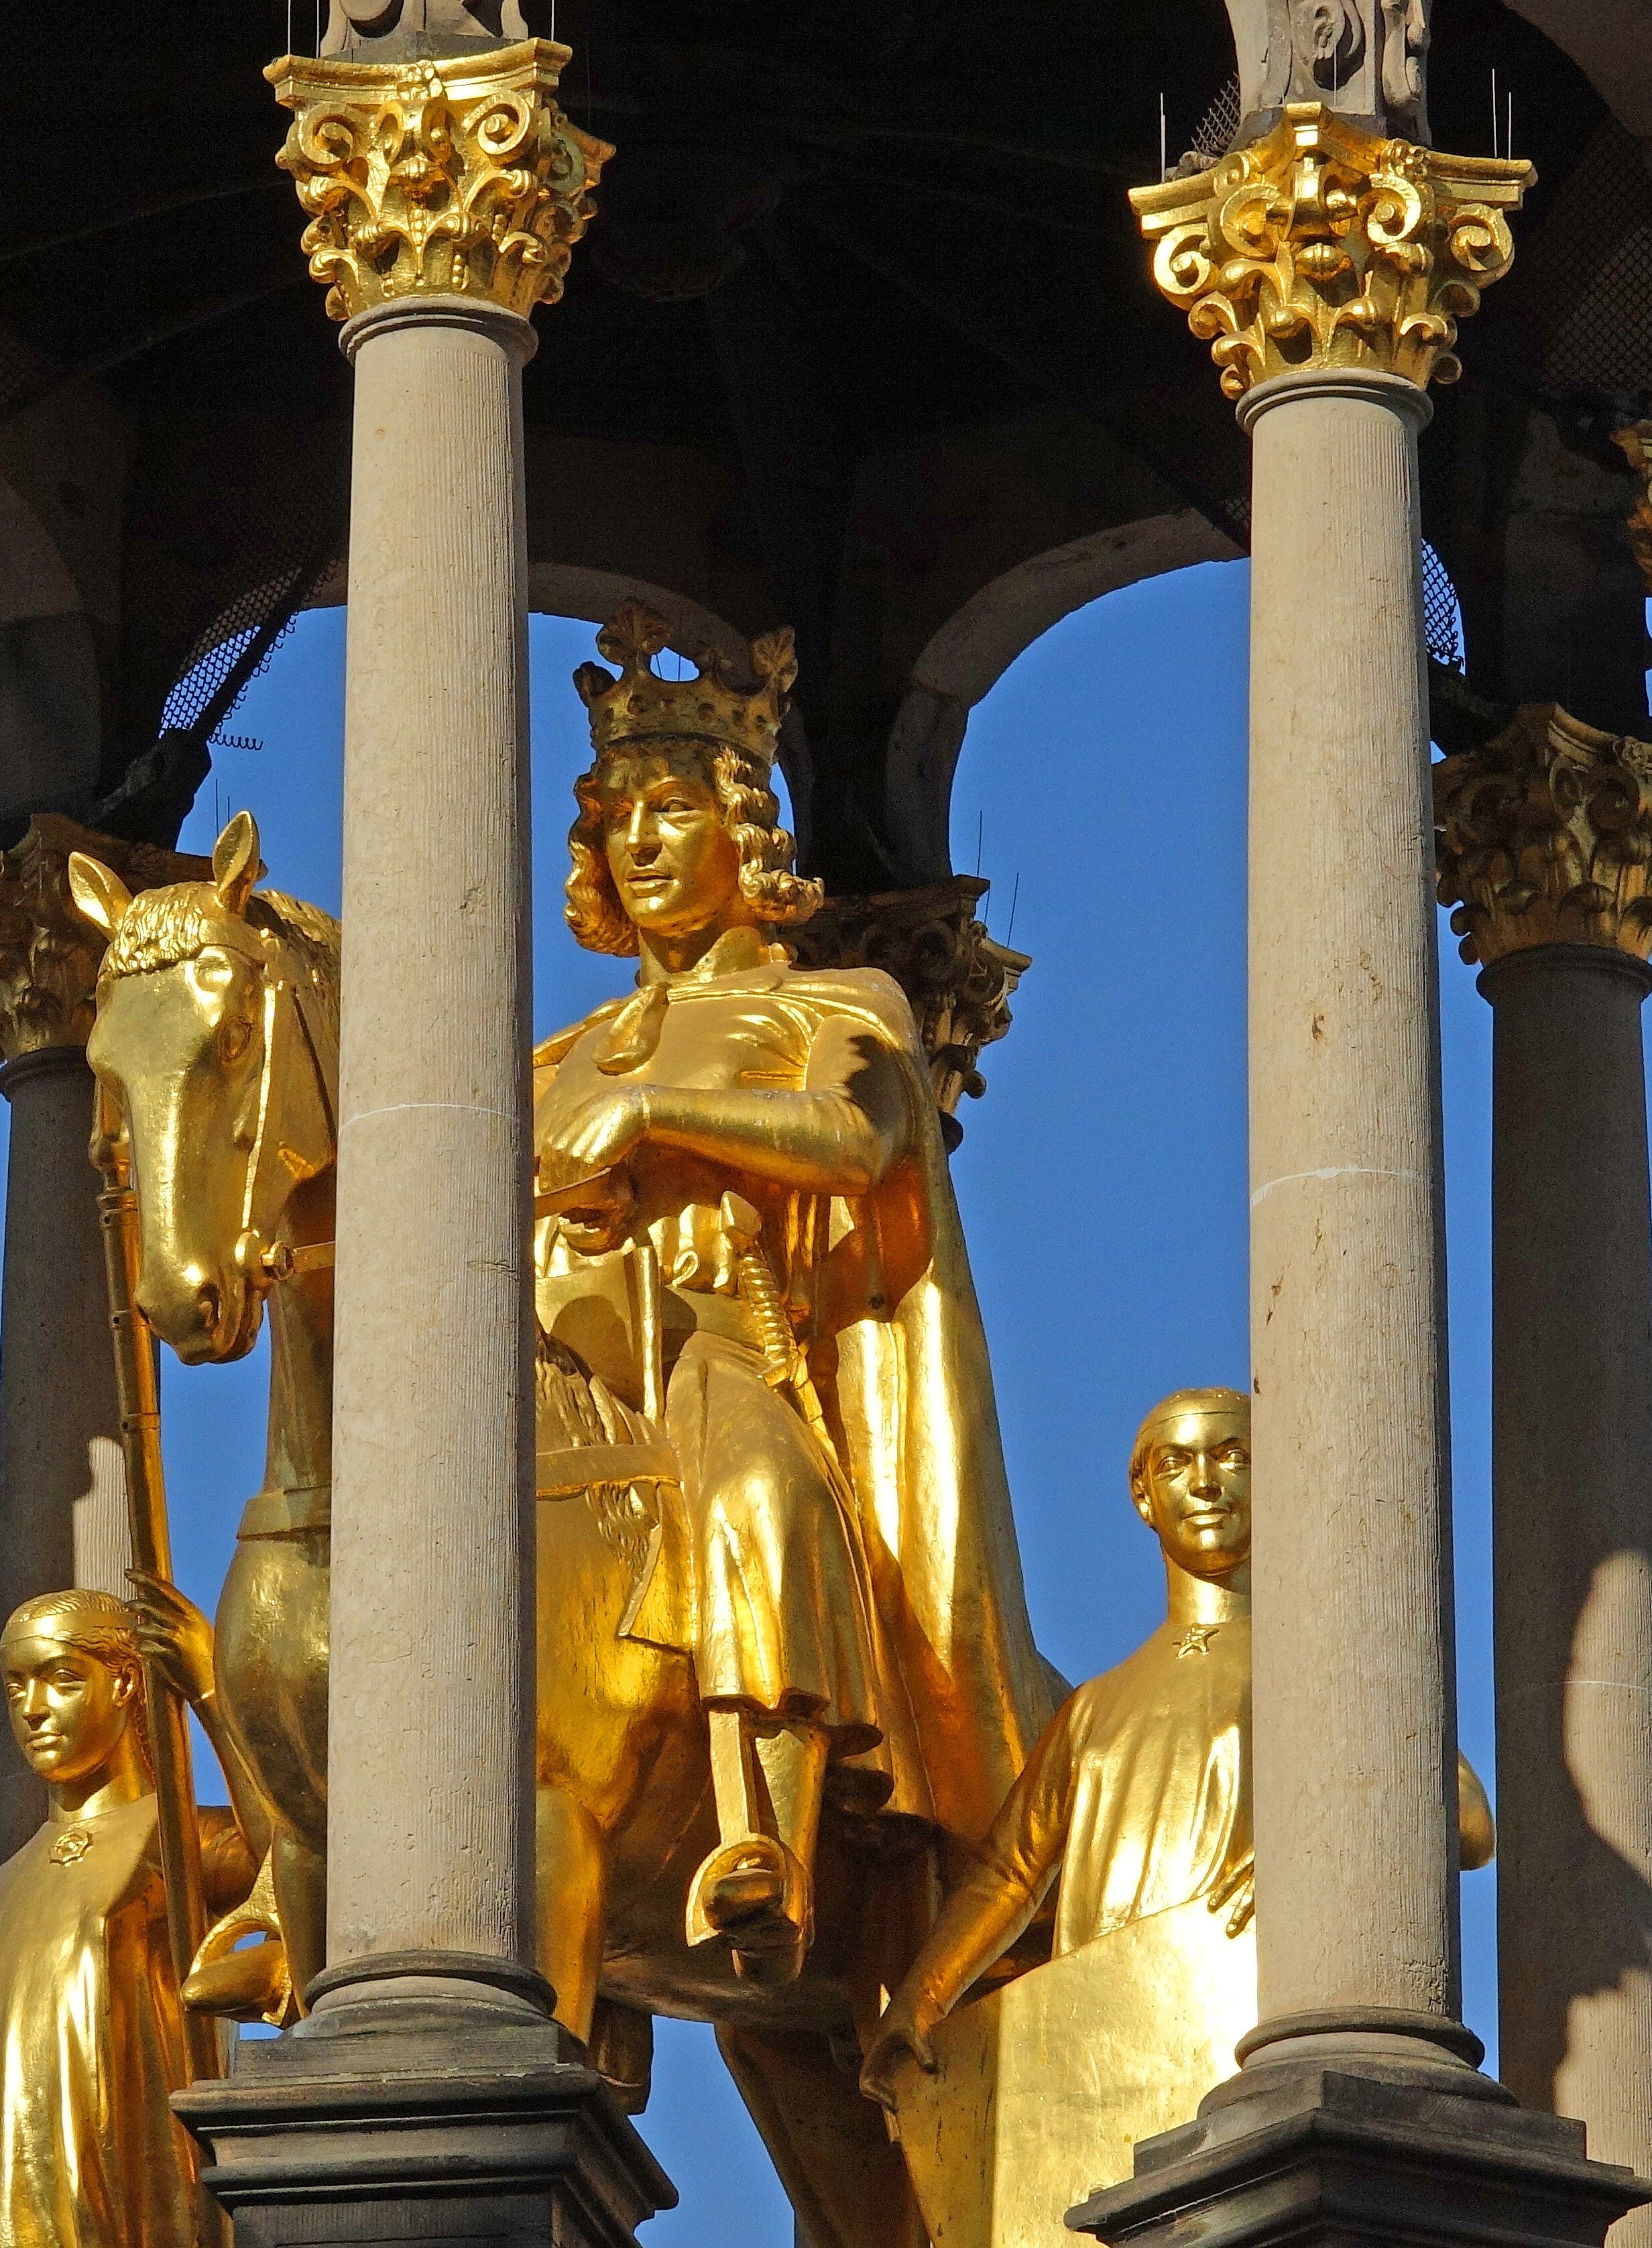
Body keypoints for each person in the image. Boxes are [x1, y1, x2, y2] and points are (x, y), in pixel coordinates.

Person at [530, 603, 1064, 1958]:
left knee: (757, 1488)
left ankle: (758, 1827)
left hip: (719, 1345)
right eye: (614, 818)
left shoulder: (832, 1008)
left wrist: (656, 1120)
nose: (636, 841)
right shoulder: (550, 1055)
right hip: (552, 1375)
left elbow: (859, 1140)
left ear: (743, 828)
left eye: (670, 807)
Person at [856, 1389, 1492, 2123]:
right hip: (1102, 2041)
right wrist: (921, 1998)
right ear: (1143, 1496)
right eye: (1176, 1462)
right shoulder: (1093, 1708)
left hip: (1250, 2026)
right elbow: (1006, 1873)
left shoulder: (1331, 1662)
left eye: (1232, 1457)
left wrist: (1317, 1855)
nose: (1204, 1483)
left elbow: (1468, 1820)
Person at [0, 1591, 249, 2248]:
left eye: (61, 1679)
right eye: (16, 1685)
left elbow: (290, 1860)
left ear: (125, 1683)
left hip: (143, 2216)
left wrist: (207, 1688)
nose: (32, 1709)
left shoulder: (181, 1842)